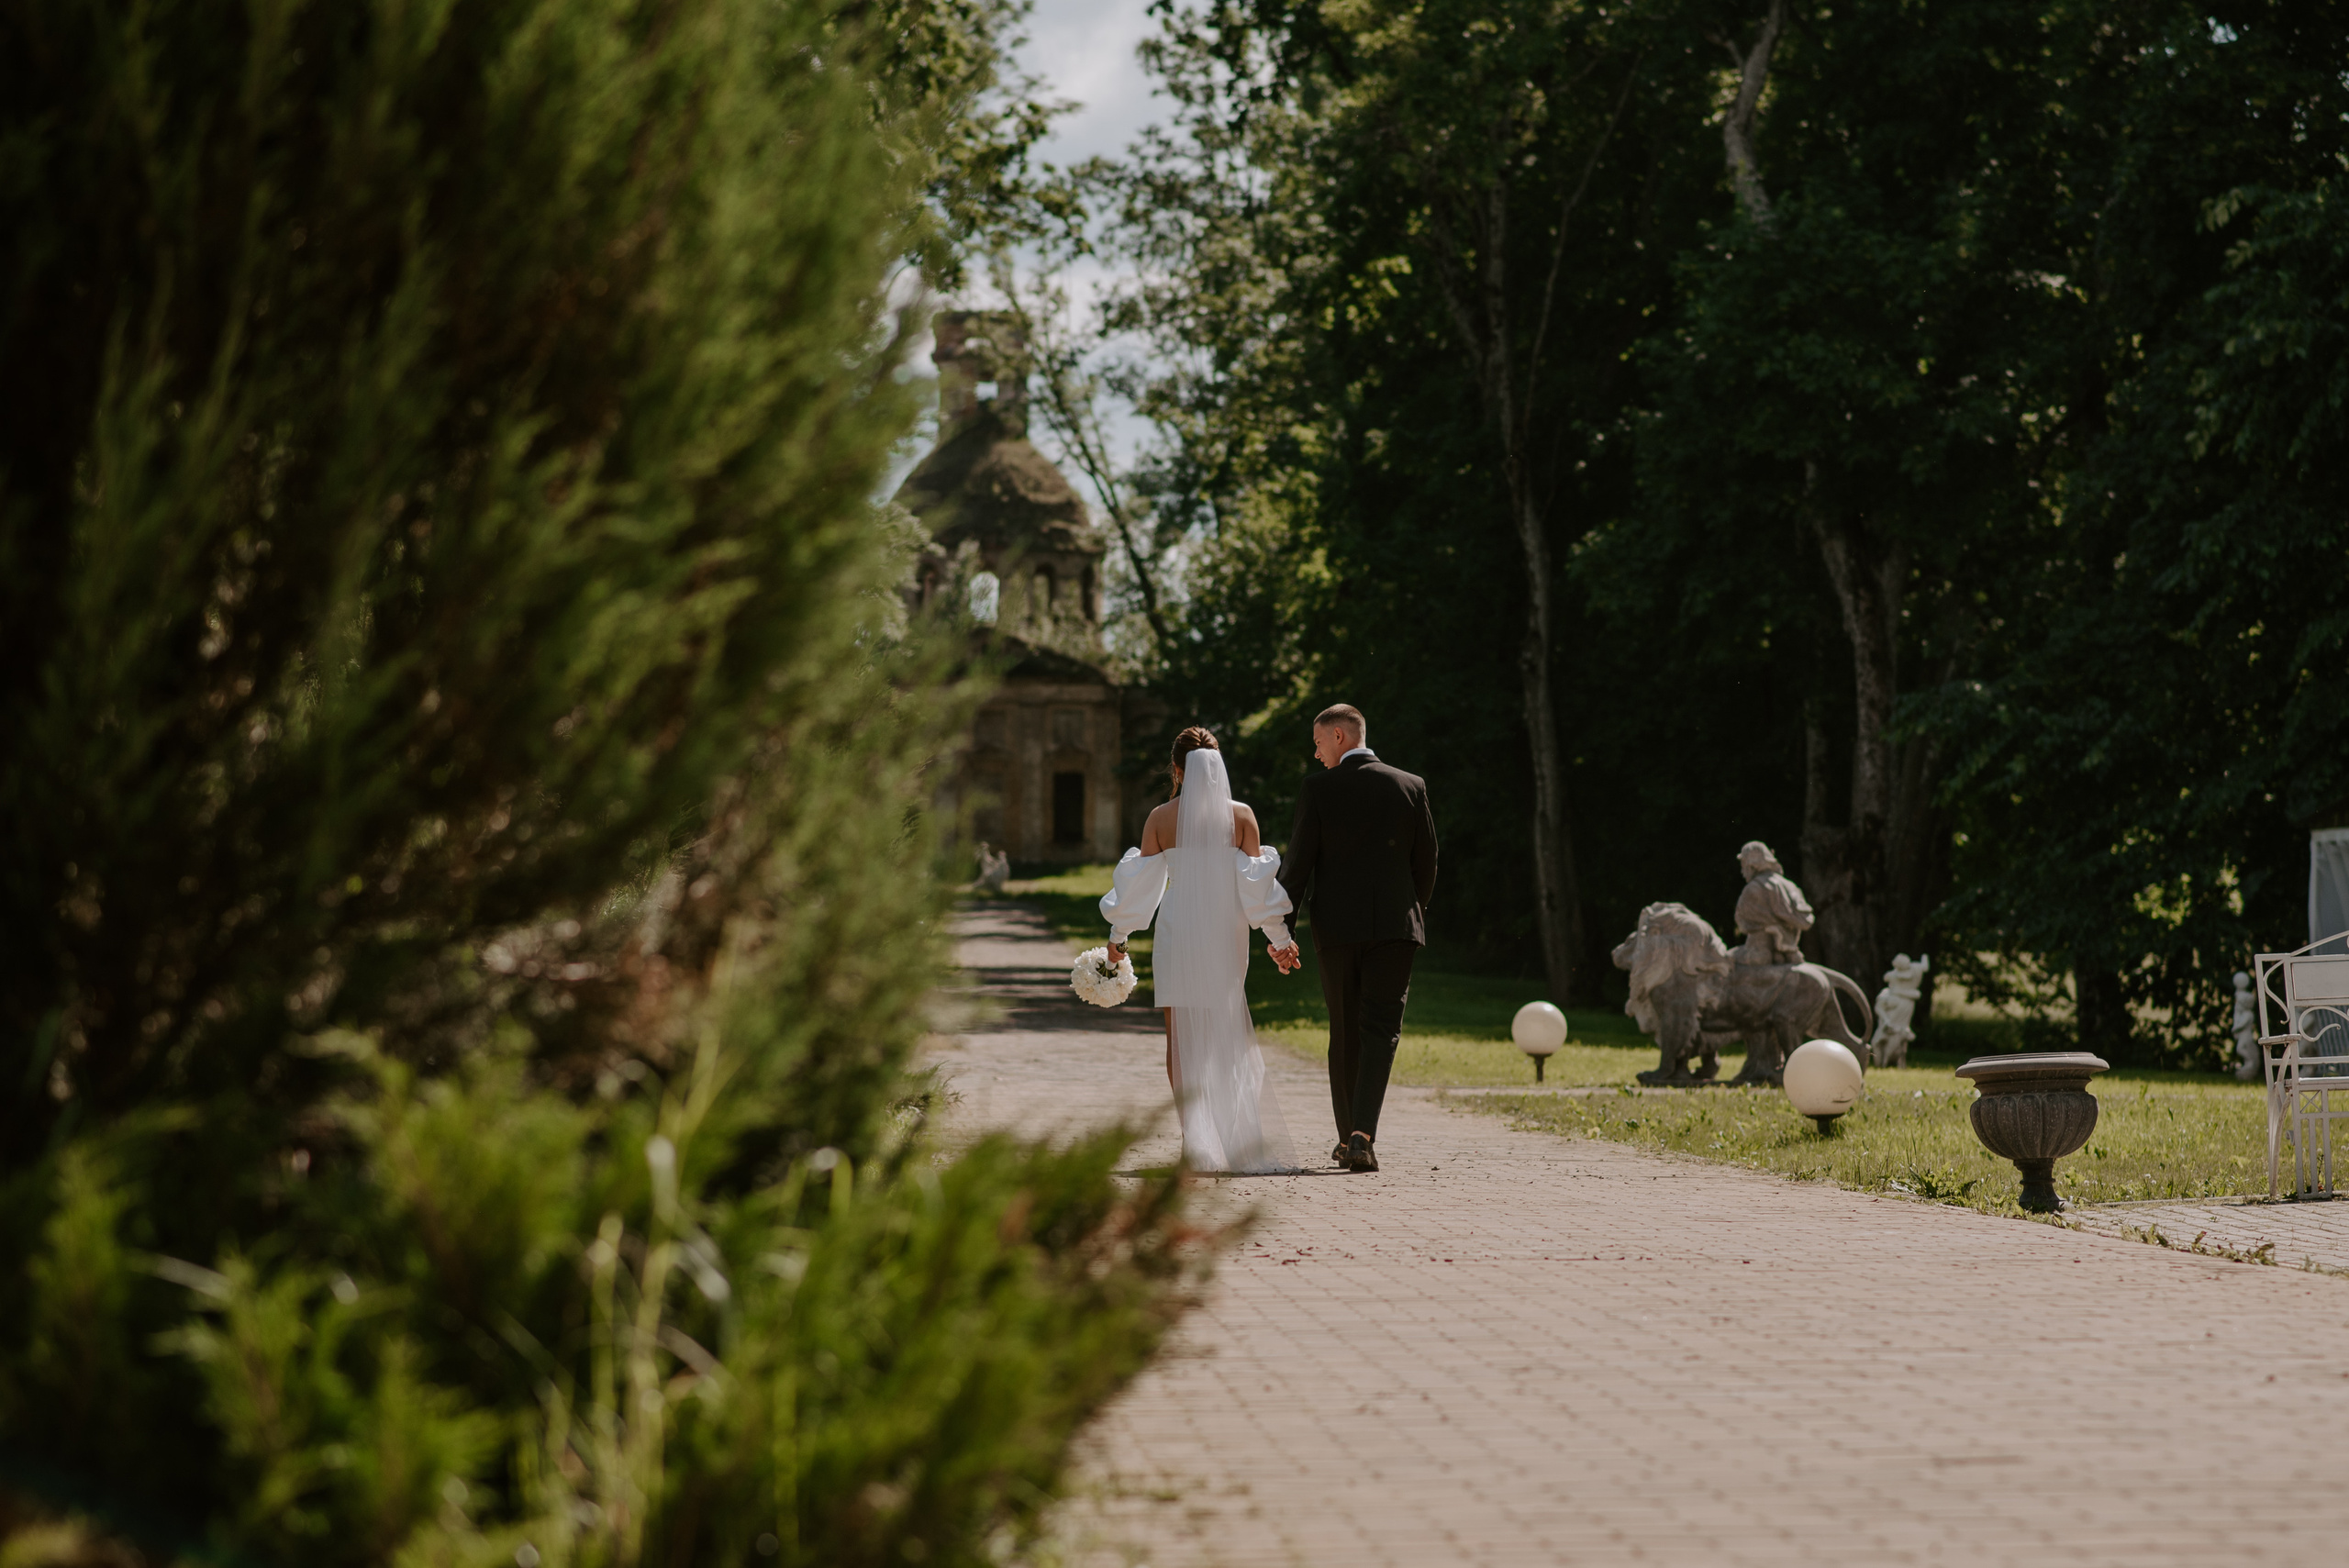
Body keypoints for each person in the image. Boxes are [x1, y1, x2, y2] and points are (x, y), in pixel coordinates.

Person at [1097, 728, 1302, 1173]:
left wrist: (1118, 939)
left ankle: (1197, 1145)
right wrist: (1280, 940)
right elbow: (1256, 888)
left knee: (1179, 1042)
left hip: (1179, 932)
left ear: (1177, 769)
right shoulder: (1242, 816)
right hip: (1225, 932)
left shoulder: (1160, 818)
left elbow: (1141, 888)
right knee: (1225, 1034)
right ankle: (1231, 1141)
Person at [1273, 704, 1438, 1173]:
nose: (1316, 752)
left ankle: (1349, 1138)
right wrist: (1409, 912)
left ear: (1341, 736)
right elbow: (1426, 863)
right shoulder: (1411, 785)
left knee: (1345, 1030)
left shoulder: (1318, 789)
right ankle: (1362, 1134)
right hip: (1396, 929)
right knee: (1382, 1031)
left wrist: (1280, 930)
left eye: (1319, 742)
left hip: (1338, 930)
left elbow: (1298, 865)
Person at [1730, 840, 1812, 966]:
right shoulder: (1790, 886)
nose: (1742, 871)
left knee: (1725, 961)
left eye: (1743, 865)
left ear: (1752, 865)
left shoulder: (1752, 889)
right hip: (1792, 953)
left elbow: (1742, 923)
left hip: (1758, 951)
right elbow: (1807, 921)